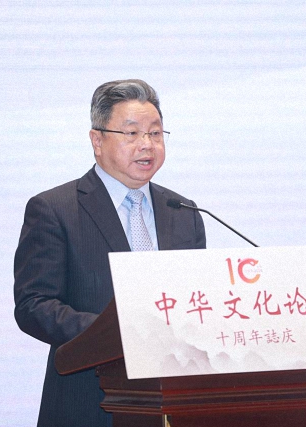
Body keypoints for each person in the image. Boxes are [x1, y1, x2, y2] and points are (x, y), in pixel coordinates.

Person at [14, 79, 206, 426]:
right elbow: (33, 305)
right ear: (97, 140)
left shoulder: (184, 212)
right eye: (131, 133)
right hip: (88, 401)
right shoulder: (55, 209)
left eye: (155, 133)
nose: (147, 144)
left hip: (175, 405)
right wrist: (115, 333)